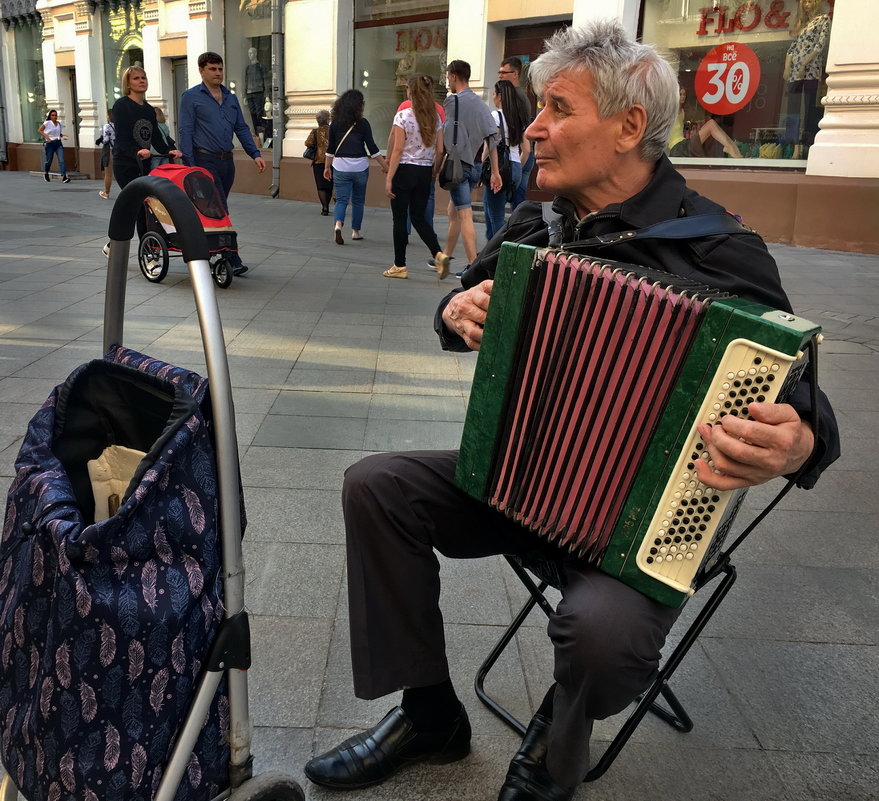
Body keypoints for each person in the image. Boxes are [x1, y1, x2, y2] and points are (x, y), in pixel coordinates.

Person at [302, 20, 840, 801]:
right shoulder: (536, 225)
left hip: (642, 528)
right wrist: (455, 313)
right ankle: (428, 715)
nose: (534, 128)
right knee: (375, 485)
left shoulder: (720, 252)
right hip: (518, 482)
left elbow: (810, 415)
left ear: (628, 128)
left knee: (601, 632)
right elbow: (464, 304)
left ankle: (557, 747)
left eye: (556, 108)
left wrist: (792, 443)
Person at [179, 51, 266, 277]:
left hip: (227, 161)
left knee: (214, 208)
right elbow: (185, 130)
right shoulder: (191, 97)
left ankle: (204, 249)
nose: (218, 73)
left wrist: (254, 153)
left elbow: (242, 128)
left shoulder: (231, 98)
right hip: (204, 159)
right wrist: (189, 164)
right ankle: (231, 256)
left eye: (220, 69)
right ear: (201, 71)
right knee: (220, 208)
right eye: (212, 69)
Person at [382, 74, 450, 280]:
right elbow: (440, 150)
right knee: (419, 217)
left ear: (410, 92)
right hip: (424, 172)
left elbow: (397, 149)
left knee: (400, 219)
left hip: (404, 170)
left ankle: (399, 265)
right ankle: (437, 253)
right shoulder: (434, 117)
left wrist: (389, 177)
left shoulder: (403, 116)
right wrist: (434, 170)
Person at [107, 66, 181, 253]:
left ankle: (114, 245)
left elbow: (155, 136)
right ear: (128, 83)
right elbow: (122, 138)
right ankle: (149, 252)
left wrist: (170, 150)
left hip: (144, 163)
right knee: (141, 206)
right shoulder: (122, 106)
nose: (141, 81)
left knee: (141, 206)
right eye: (136, 78)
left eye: (144, 77)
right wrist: (136, 151)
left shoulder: (148, 109)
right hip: (126, 164)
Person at [441, 60, 501, 270]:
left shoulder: (452, 102)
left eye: (448, 76)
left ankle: (472, 266)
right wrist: (495, 171)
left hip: (459, 166)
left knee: (465, 215)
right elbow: (492, 138)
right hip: (475, 166)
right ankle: (445, 256)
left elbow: (446, 137)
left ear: (454, 76)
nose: (448, 80)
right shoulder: (480, 104)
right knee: (453, 211)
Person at [323, 89, 388, 245]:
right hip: (360, 166)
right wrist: (385, 166)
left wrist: (327, 167)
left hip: (340, 166)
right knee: (358, 201)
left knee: (341, 200)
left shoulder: (335, 124)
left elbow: (330, 149)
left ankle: (338, 226)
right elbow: (372, 148)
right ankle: (356, 232)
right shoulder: (363, 124)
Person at [482, 79, 531, 241]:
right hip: (515, 166)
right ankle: (490, 248)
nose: (493, 98)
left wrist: (490, 170)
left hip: (499, 168)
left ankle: (497, 251)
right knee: (491, 208)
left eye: (494, 94)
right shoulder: (518, 118)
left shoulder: (495, 116)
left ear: (500, 96)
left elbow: (492, 146)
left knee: (496, 216)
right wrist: (516, 168)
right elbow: (527, 150)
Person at [498, 56, 535, 208]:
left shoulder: (515, 97)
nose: (500, 76)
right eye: (499, 72)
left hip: (519, 153)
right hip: (521, 153)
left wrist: (517, 163)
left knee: (504, 205)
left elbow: (519, 128)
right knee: (517, 202)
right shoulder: (517, 95)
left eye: (504, 73)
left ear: (515, 74)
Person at [304, 110, 332, 215]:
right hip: (332, 161)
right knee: (329, 184)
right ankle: (327, 204)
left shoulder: (315, 131)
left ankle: (325, 207)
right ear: (328, 119)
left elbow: (308, 143)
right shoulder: (332, 130)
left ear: (318, 120)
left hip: (318, 161)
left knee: (321, 186)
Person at [38, 110, 70, 183]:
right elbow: (40, 130)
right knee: (49, 160)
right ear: (50, 116)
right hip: (50, 144)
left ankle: (64, 177)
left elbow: (58, 133)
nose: (54, 117)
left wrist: (63, 136)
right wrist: (47, 137)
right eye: (52, 115)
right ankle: (46, 173)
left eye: (55, 115)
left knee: (61, 160)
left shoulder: (59, 124)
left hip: (58, 143)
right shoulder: (47, 123)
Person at [98, 108, 115, 199]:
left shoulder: (107, 126)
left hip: (110, 151)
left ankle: (106, 193)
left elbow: (106, 140)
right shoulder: (120, 125)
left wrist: (101, 139)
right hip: (119, 151)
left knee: (108, 174)